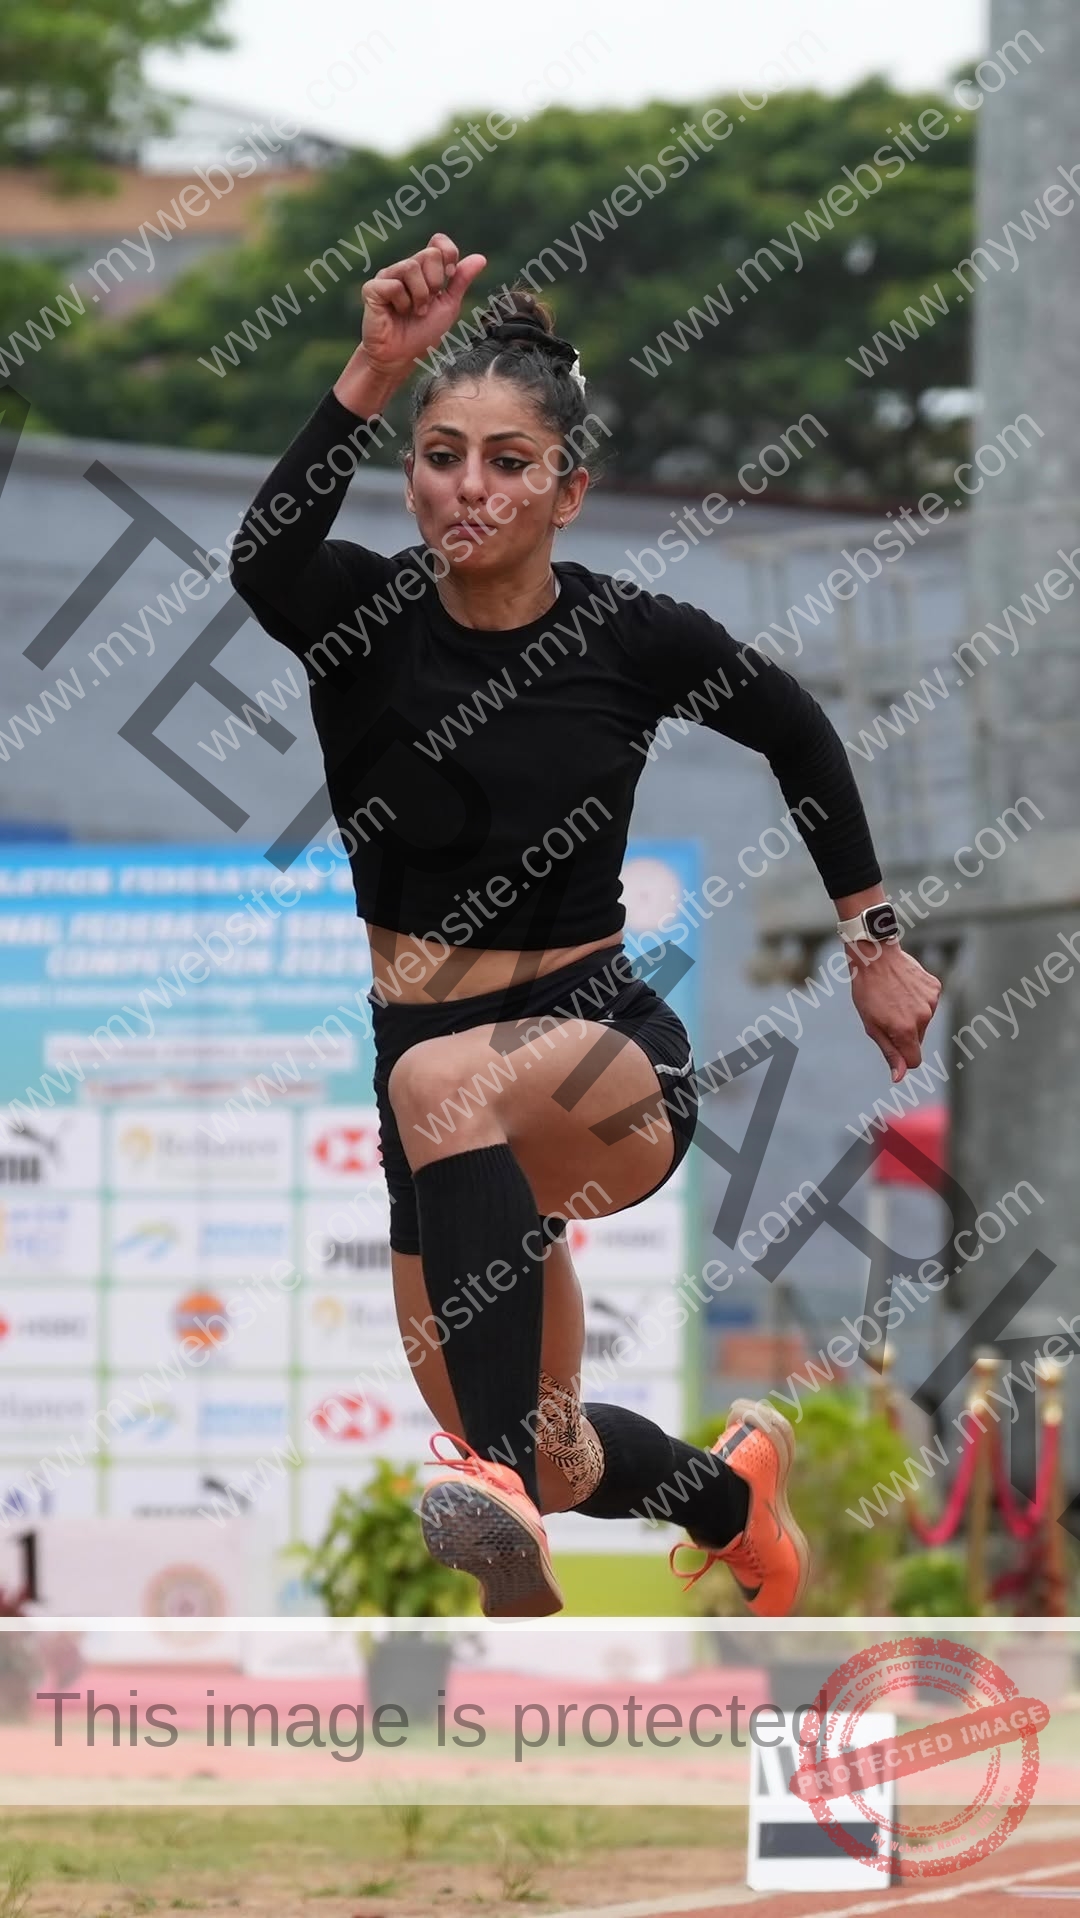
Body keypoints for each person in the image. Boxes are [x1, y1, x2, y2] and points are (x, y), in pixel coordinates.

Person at [229, 231, 942, 1619]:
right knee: (554, 1448)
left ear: (570, 488)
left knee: (446, 1090)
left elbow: (796, 727)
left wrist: (876, 936)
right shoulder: (363, 618)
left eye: (507, 460)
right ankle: (735, 1495)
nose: (468, 487)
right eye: (440, 454)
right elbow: (267, 555)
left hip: (601, 1051)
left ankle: (486, 1483)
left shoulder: (629, 635)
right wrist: (374, 364)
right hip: (428, 1071)